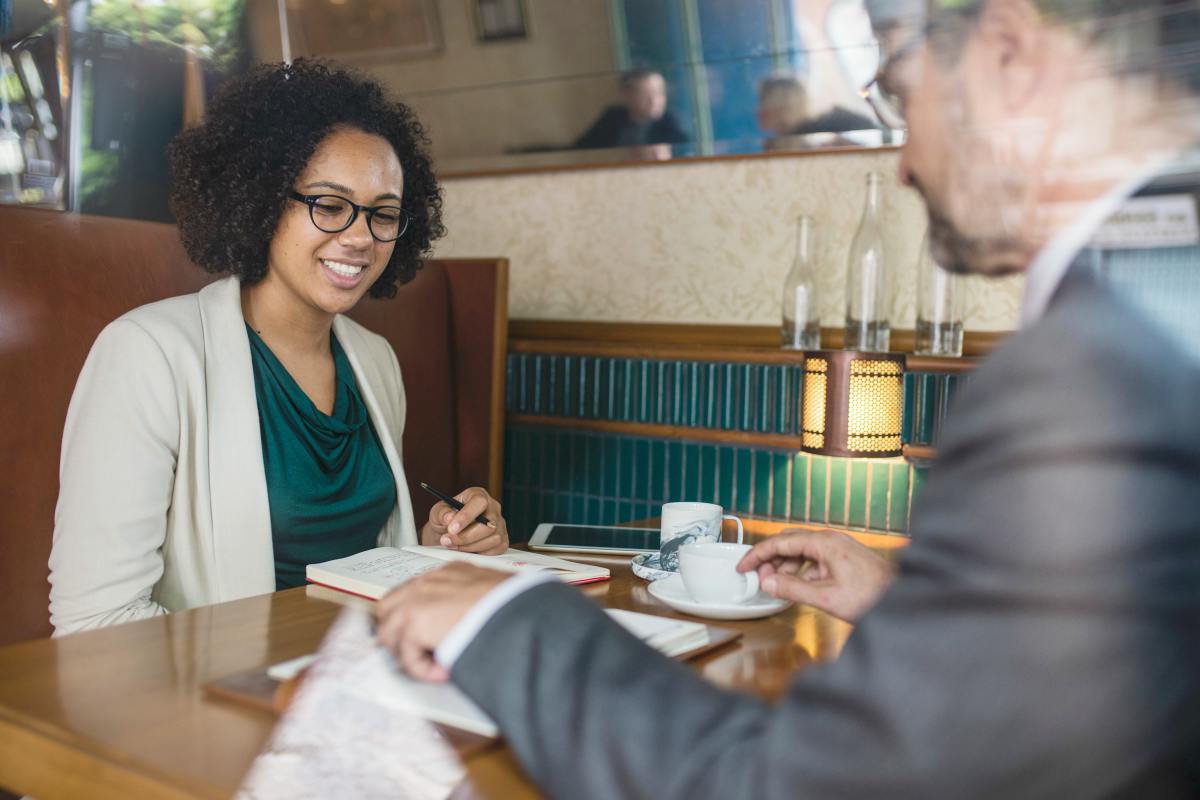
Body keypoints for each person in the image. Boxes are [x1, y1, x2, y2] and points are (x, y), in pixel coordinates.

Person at [377, 0, 1200, 797]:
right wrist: (910, 608)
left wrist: (507, 620)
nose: (905, 162)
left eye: (906, 97)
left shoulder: (1095, 371)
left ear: (1010, 55)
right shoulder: (1158, 305)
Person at [48, 60, 510, 636]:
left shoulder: (375, 362)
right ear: (262, 201)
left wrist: (441, 545)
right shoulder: (148, 355)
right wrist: (273, 682)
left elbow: (351, 569)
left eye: (384, 214)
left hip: (360, 677)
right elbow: (95, 620)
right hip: (221, 703)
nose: (361, 236)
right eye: (329, 205)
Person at [574, 69, 689, 150]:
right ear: (627, 95)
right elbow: (581, 148)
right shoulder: (612, 119)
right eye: (645, 93)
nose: (654, 101)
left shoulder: (671, 124)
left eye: (659, 93)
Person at [756, 71, 879, 145]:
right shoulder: (784, 141)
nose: (758, 109)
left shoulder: (820, 133)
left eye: (763, 101)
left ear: (781, 106)